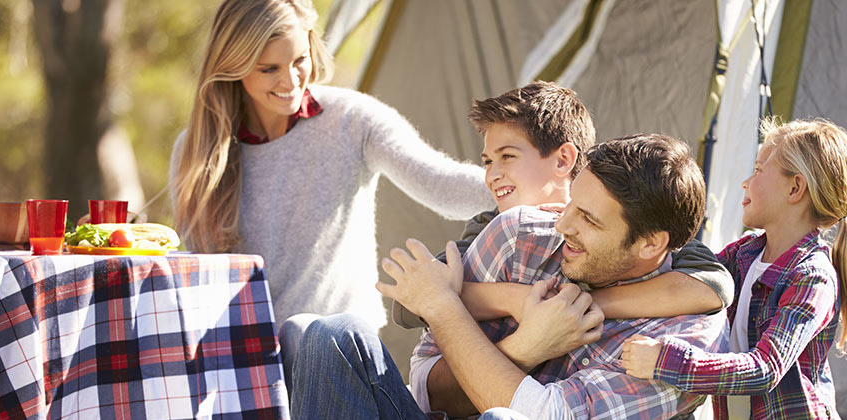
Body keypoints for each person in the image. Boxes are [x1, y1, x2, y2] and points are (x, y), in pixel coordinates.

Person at [291, 134, 728, 419]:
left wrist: (444, 308)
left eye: (589, 220)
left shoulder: (684, 344)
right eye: (570, 203)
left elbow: (545, 416)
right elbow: (426, 387)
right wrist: (524, 348)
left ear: (650, 244)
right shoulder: (523, 235)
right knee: (331, 334)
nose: (562, 225)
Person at [168, 0, 493, 332]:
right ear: (233, 67)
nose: (291, 80)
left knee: (305, 332)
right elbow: (199, 276)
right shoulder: (195, 152)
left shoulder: (353, 120)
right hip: (246, 359)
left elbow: (438, 182)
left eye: (299, 60)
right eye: (269, 69)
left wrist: (524, 186)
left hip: (340, 346)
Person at [392, 81, 732, 330]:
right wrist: (514, 299)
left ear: (564, 159)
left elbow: (714, 285)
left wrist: (582, 305)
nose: (492, 175)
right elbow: (408, 306)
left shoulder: (624, 214)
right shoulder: (487, 226)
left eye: (507, 157)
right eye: (487, 162)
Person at [619, 118, 847, 419]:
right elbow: (691, 278)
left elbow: (765, 369)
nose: (745, 182)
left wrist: (666, 361)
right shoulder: (745, 253)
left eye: (758, 170)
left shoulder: (813, 277)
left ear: (795, 188)